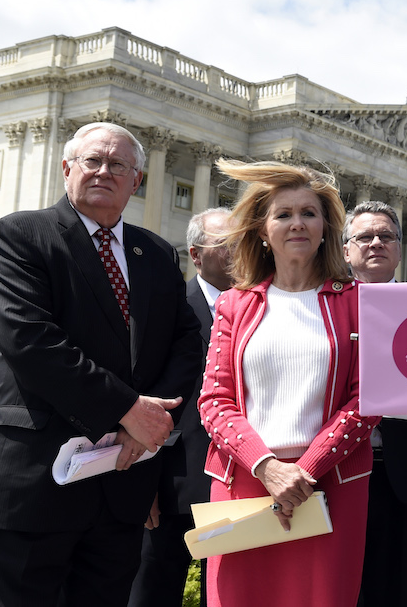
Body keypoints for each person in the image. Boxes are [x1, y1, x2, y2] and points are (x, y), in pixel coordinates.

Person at [0, 122, 203, 607]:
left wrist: (150, 425)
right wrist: (128, 409)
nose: (103, 172)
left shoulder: (154, 253)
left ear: (137, 182)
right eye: (92, 161)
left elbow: (186, 344)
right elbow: (31, 341)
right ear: (67, 168)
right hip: (31, 485)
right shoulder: (21, 235)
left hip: (120, 486)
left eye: (118, 165)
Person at [199, 160, 379, 607]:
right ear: (262, 230)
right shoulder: (232, 304)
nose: (297, 223)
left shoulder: (360, 303)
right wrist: (268, 467)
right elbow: (215, 402)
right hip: (244, 484)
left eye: (309, 213)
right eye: (283, 214)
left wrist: (303, 472)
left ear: (326, 227)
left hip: (329, 488)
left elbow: (367, 399)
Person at [129, 207, 234, 607]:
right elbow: (139, 395)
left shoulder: (263, 310)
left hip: (239, 486)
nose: (239, 251)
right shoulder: (164, 309)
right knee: (152, 595)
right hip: (168, 487)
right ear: (196, 254)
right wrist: (141, 485)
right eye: (225, 243)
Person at [344, 201, 407, 607]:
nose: (376, 244)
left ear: (400, 249)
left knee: (403, 593)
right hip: (334, 473)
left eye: (386, 236)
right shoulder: (319, 307)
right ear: (346, 249)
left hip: (406, 474)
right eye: (364, 237)